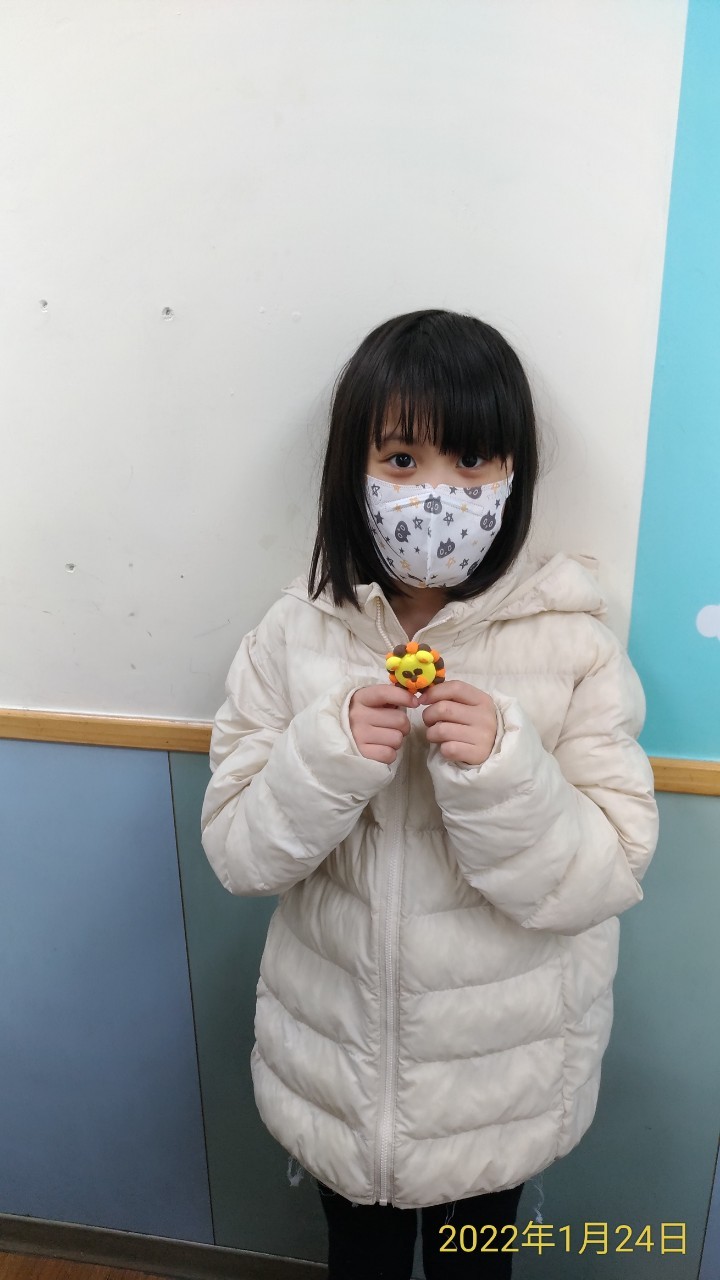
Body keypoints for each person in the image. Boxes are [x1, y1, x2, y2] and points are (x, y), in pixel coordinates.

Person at [200, 309, 659, 1278]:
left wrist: (505, 771)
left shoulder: (572, 643)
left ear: (513, 474)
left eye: (472, 461)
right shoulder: (293, 633)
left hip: (500, 1085)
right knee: (359, 1262)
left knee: (473, 1266)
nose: (437, 494)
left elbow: (611, 869)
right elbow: (239, 852)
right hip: (336, 1076)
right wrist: (327, 756)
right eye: (402, 460)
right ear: (354, 471)